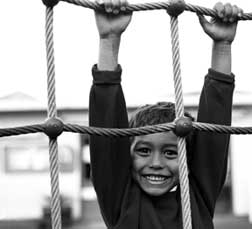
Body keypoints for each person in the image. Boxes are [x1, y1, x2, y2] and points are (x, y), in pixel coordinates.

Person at [89, 1, 242, 228]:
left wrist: (222, 45)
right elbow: (107, 130)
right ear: (127, 156)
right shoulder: (120, 200)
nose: (156, 163)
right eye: (143, 150)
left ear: (188, 161)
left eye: (171, 152)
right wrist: (109, 40)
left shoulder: (196, 200)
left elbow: (214, 132)